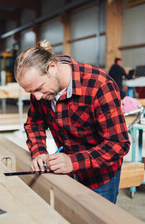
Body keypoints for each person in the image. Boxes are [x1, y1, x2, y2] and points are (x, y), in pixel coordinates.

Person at [14, 41, 130, 204]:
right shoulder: (41, 86)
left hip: (100, 177)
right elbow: (35, 123)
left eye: (39, 89)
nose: (37, 97)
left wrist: (73, 162)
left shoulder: (99, 85)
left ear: (52, 68)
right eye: (31, 92)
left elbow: (118, 144)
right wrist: (39, 152)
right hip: (66, 171)